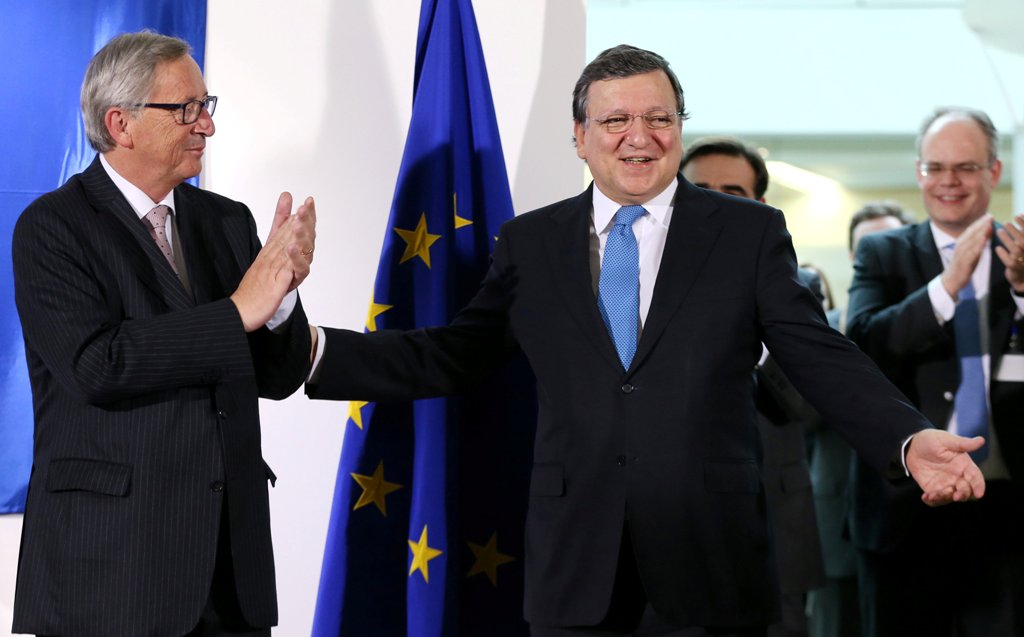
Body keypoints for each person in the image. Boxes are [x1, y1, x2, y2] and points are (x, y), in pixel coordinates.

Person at [307, 46, 984, 636]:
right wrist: (307, 347)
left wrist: (907, 437)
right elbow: (452, 354)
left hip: (709, 569)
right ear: (580, 135)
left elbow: (819, 354)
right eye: (616, 120)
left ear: (679, 130)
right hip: (574, 573)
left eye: (659, 119)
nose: (640, 136)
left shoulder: (746, 233)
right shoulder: (531, 244)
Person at [11, 31, 315, 637]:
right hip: (111, 574)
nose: (205, 125)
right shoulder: (52, 227)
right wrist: (237, 310)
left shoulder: (227, 221)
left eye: (208, 106)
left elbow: (279, 377)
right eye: (186, 109)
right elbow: (98, 365)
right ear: (119, 123)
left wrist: (281, 297)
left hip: (229, 573)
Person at [846, 108, 1024, 636]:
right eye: (936, 167)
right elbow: (861, 347)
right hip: (904, 507)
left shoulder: (1020, 255)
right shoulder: (883, 253)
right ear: (919, 172)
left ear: (993, 172)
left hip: (1008, 511)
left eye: (966, 168)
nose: (949, 182)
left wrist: (1021, 292)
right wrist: (946, 287)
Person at [681, 136, 825, 637]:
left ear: (760, 205)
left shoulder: (798, 287)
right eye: (700, 189)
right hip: (671, 529)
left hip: (774, 526)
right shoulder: (629, 279)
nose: (716, 201)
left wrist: (757, 335)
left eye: (732, 191)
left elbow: (808, 403)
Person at [800, 202, 910, 637]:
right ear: (853, 256)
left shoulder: (936, 326)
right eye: (869, 246)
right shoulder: (821, 329)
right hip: (835, 514)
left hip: (916, 513)